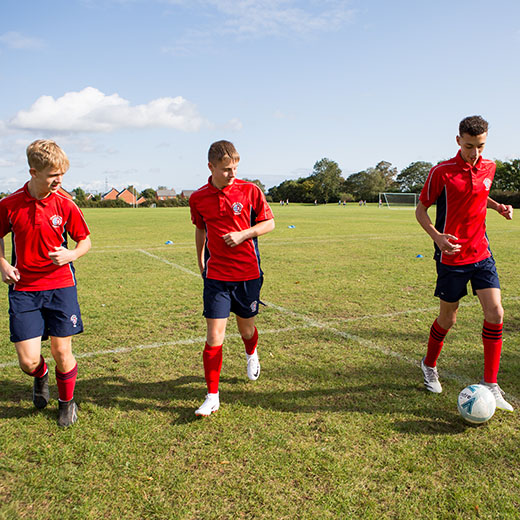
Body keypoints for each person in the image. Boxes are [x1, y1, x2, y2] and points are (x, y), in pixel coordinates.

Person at [415, 116, 514, 411]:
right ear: (458, 141)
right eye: (469, 146)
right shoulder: (441, 172)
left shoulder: (490, 167)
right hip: (451, 256)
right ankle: (429, 364)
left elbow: (480, 193)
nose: (475, 153)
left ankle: (491, 384)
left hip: (481, 253)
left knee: (495, 312)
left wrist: (498, 207)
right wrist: (437, 238)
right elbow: (421, 209)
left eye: (480, 146)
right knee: (449, 319)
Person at [0, 140, 91, 427]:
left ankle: (66, 403)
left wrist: (71, 254)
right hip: (24, 290)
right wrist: (2, 263)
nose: (59, 181)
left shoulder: (65, 204)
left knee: (62, 351)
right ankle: (40, 376)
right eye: (53, 175)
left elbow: (84, 240)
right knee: (28, 361)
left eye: (62, 175)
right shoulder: (9, 204)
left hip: (60, 286)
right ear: (33, 172)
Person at [189, 140, 275, 416]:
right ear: (211, 167)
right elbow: (200, 229)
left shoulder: (250, 191)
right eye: (226, 169)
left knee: (246, 330)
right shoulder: (198, 197)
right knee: (214, 336)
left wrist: (243, 234)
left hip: (248, 274)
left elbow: (269, 223)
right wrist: (200, 257)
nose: (232, 174)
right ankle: (212, 395)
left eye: (235, 168)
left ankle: (251, 353)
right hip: (216, 277)